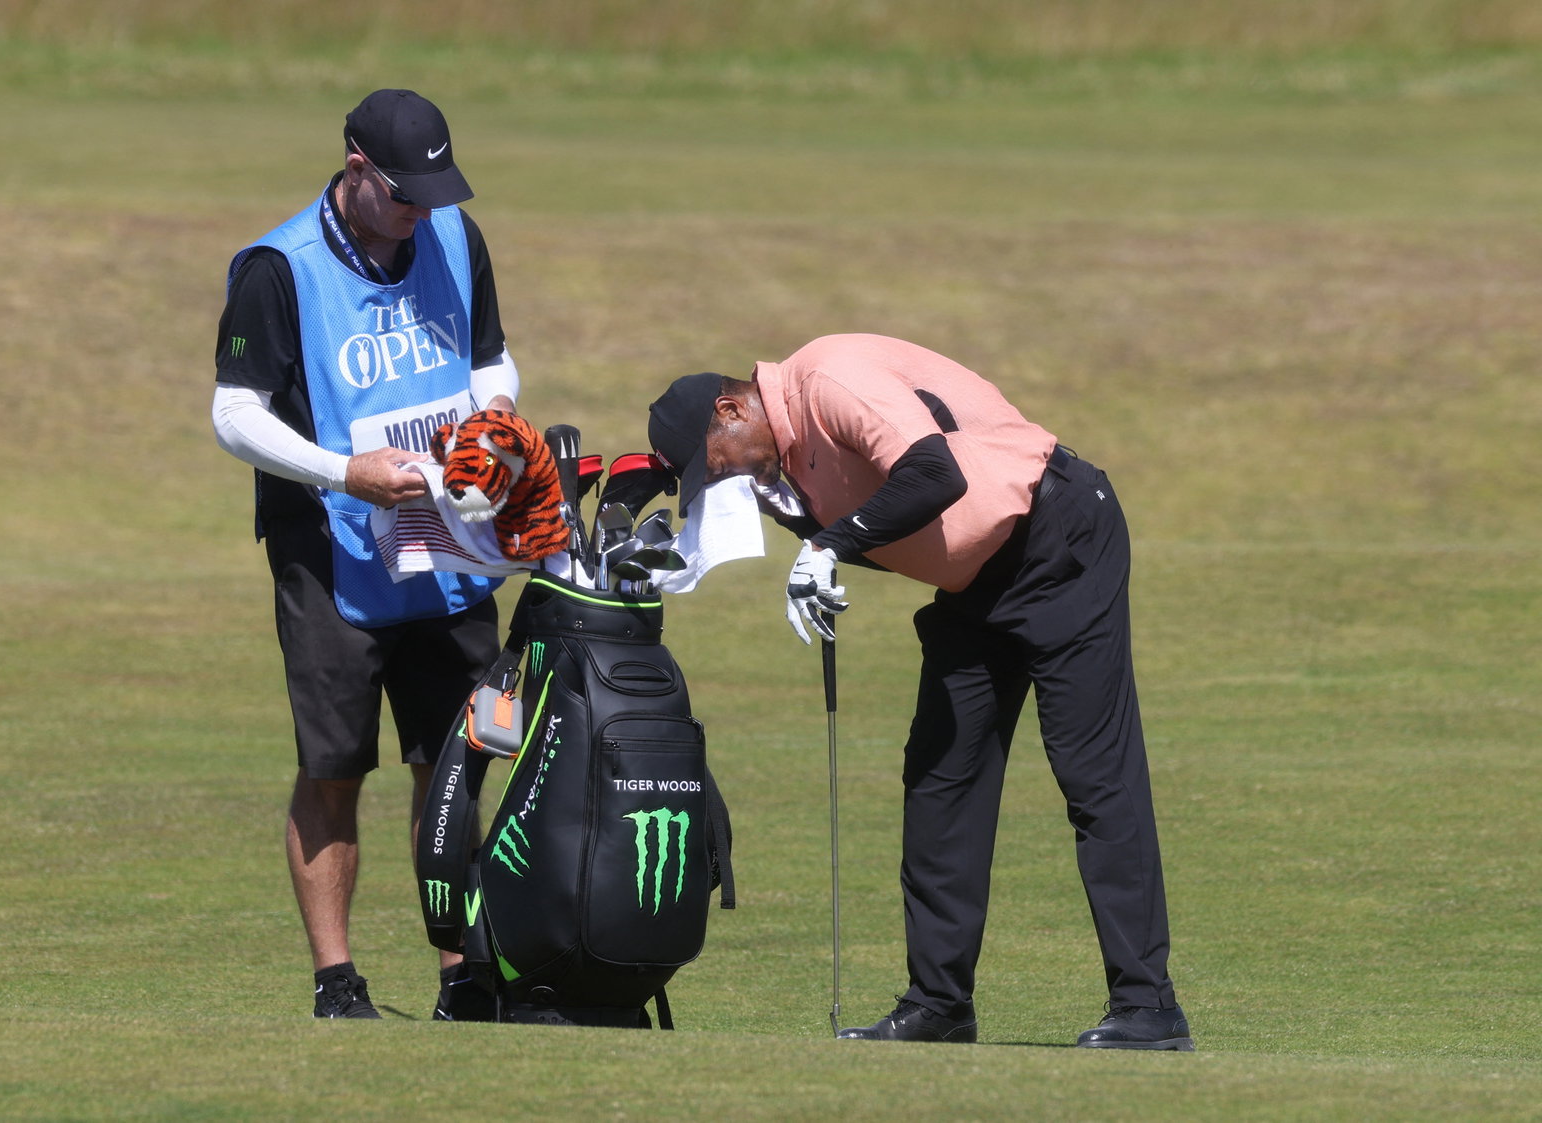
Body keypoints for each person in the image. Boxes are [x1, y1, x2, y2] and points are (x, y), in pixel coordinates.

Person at [647, 333, 1191, 1048]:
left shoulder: (828, 379)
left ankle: (1150, 1008)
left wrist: (830, 545)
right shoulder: (787, 468)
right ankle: (939, 1002)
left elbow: (934, 474)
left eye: (712, 465)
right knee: (941, 777)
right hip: (973, 589)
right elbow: (887, 528)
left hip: (1056, 537)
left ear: (731, 410)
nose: (720, 484)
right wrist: (822, 542)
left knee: (1095, 777)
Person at [212, 89, 518, 1020]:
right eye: (404, 195)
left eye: (434, 191)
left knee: (457, 762)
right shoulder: (278, 268)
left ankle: (462, 976)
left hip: (452, 540)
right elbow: (234, 415)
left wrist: (491, 430)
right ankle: (336, 980)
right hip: (331, 548)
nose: (422, 212)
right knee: (335, 766)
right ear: (355, 171)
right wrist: (346, 472)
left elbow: (491, 360)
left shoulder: (458, 238)